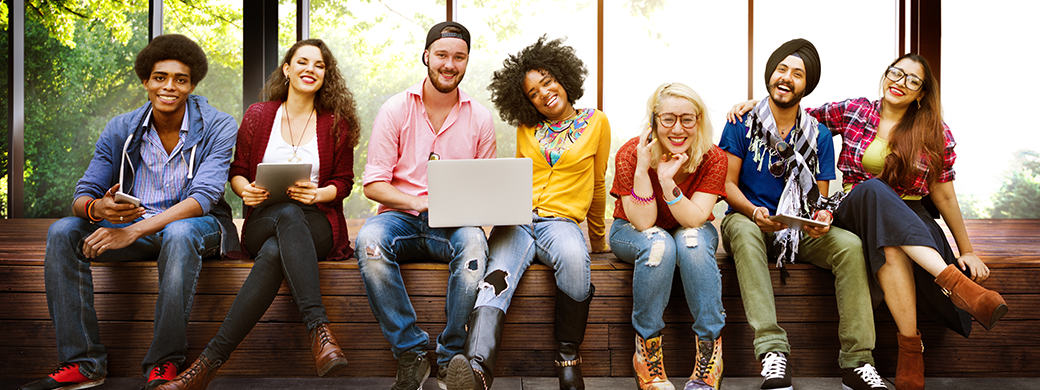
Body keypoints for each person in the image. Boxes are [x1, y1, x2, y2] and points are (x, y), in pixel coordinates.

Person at [728, 53, 1007, 390]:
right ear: (885, 75)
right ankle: (956, 284)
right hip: (855, 204)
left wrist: (968, 250)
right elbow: (792, 113)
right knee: (873, 189)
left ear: (921, 93)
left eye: (912, 81)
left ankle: (909, 349)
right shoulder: (855, 111)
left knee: (889, 247)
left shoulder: (934, 131)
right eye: (895, 73)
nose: (900, 83)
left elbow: (945, 196)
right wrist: (755, 104)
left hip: (910, 216)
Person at [19, 35, 239, 390]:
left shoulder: (219, 125)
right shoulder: (121, 128)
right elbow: (83, 194)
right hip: (136, 226)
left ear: (192, 84)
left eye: (180, 79)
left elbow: (205, 196)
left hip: (199, 226)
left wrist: (132, 231)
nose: (169, 86)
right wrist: (97, 208)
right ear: (146, 81)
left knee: (180, 234)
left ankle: (164, 362)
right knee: (63, 231)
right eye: (160, 77)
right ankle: (84, 363)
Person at [154, 39, 361, 390]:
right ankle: (319, 331)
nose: (311, 69)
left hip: (317, 224)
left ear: (326, 75)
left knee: (279, 244)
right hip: (263, 220)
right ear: (287, 69)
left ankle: (206, 366)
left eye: (320, 65)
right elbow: (237, 170)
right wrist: (244, 188)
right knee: (282, 218)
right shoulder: (259, 115)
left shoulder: (335, 123)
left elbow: (343, 182)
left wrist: (317, 193)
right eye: (303, 62)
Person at [444, 35, 611, 390]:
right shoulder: (526, 129)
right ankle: (476, 369)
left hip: (561, 221)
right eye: (532, 93)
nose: (543, 94)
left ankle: (568, 357)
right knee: (495, 278)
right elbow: (517, 179)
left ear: (563, 78)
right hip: (517, 220)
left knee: (574, 259)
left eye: (546, 82)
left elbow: (597, 184)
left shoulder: (597, 122)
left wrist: (597, 237)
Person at [718, 38, 885, 390]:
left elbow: (820, 200)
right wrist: (753, 211)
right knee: (747, 234)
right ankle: (772, 353)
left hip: (796, 228)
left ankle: (857, 363)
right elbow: (727, 185)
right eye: (781, 69)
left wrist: (820, 220)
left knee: (849, 245)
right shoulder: (741, 122)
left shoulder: (819, 135)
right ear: (770, 75)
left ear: (806, 86)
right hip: (747, 219)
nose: (786, 78)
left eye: (797, 74)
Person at [355, 21, 496, 390]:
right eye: (442, 56)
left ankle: (450, 359)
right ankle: (411, 354)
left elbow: (486, 189)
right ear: (426, 56)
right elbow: (373, 184)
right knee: (369, 241)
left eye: (459, 57)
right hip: (399, 219)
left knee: (475, 248)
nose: (449, 65)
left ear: (467, 62)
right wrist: (418, 201)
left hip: (453, 224)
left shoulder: (480, 118)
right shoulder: (395, 109)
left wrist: (477, 207)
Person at [609, 83, 727, 390]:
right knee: (659, 243)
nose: (678, 129)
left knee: (691, 241)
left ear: (698, 121)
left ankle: (709, 355)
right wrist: (643, 169)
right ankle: (647, 354)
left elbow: (694, 218)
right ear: (653, 121)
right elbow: (645, 222)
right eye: (668, 119)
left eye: (687, 119)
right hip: (632, 230)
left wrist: (666, 180)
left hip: (688, 226)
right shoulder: (628, 154)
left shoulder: (713, 158)